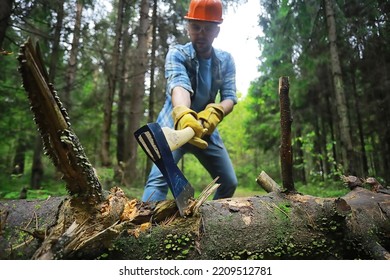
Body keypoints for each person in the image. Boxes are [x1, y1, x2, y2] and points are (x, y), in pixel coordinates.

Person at [141, 0, 238, 202]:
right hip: (174, 126)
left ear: (216, 31)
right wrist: (184, 115)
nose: (201, 33)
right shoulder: (178, 54)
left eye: (208, 28)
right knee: (158, 180)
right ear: (188, 28)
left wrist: (217, 111)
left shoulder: (226, 60)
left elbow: (229, 96)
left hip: (206, 127)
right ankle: (143, 229)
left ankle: (216, 223)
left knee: (229, 182)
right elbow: (179, 85)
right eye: (196, 27)